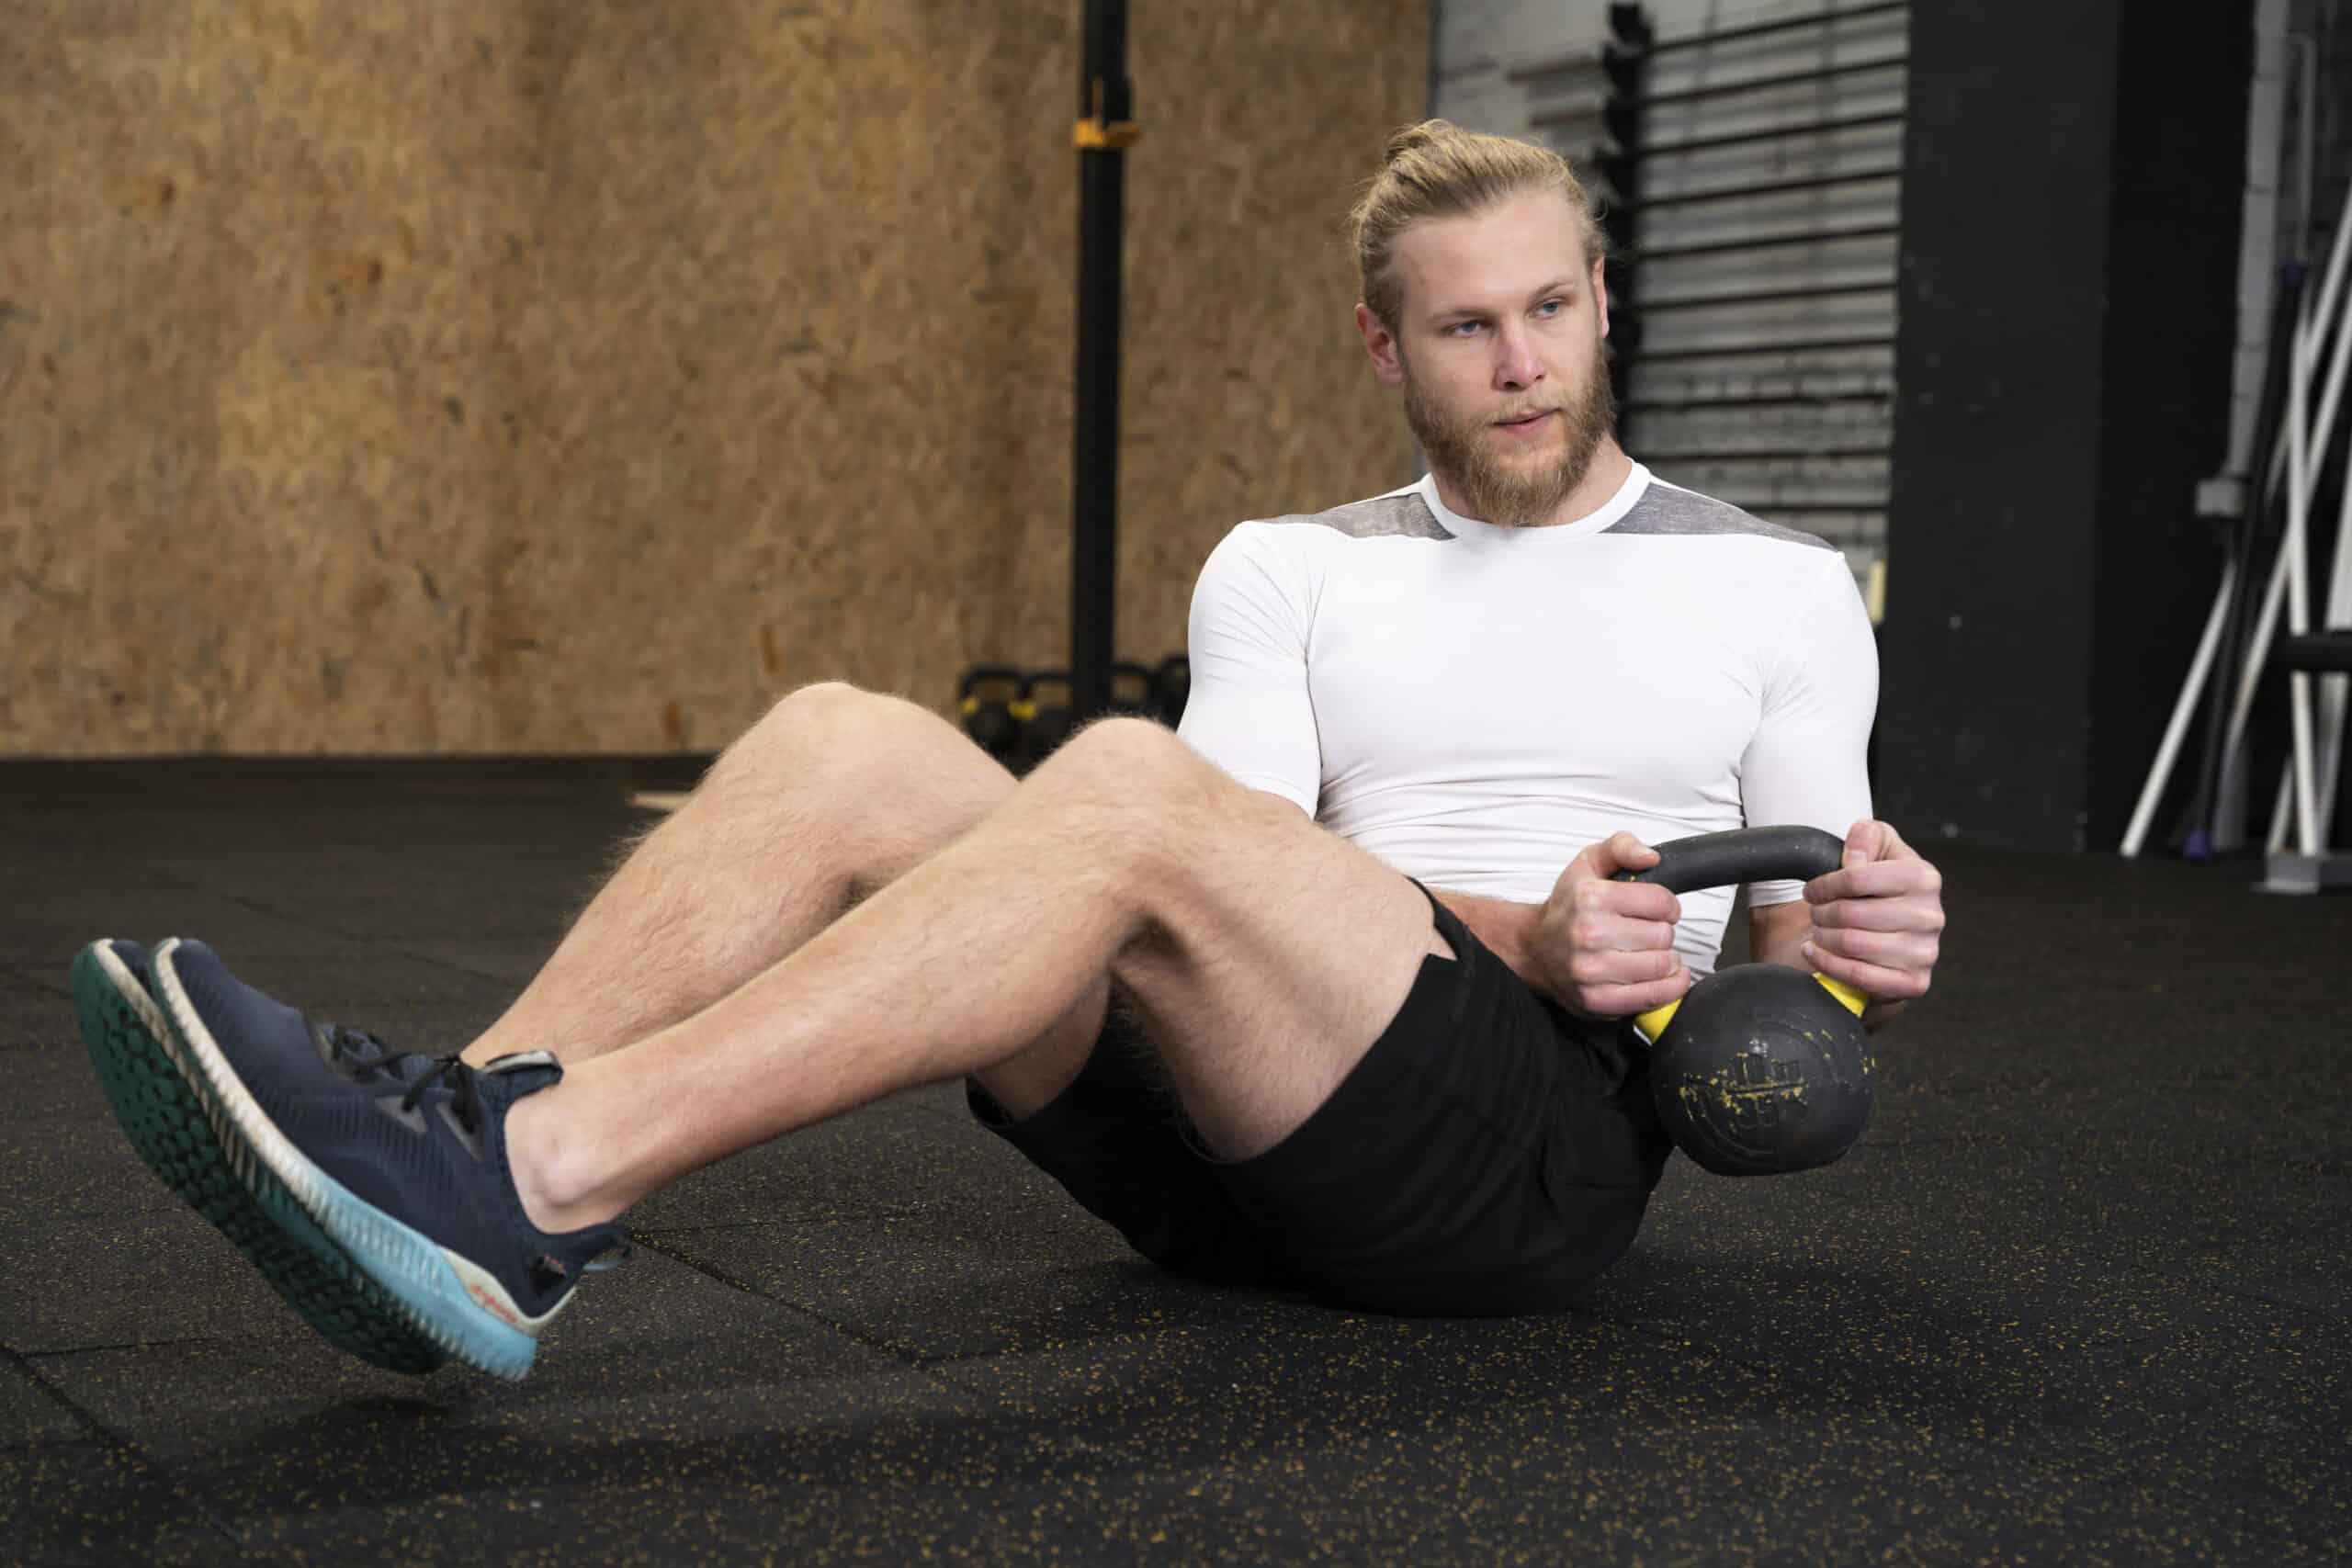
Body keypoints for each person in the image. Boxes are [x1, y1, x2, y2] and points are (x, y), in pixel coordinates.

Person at [74, 120, 1944, 1381]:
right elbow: (1218, 866)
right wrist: (1500, 915)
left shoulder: (1768, 588)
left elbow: (1781, 1004)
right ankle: (447, 1152)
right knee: (843, 740)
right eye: (1464, 326)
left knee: (1120, 790)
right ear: (1381, 348)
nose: (1519, 359)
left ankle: (542, 1177)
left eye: (1548, 309)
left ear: (1601, 299)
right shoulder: (1290, 567)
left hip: (1513, 1164)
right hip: (1239, 1138)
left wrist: (1845, 967)